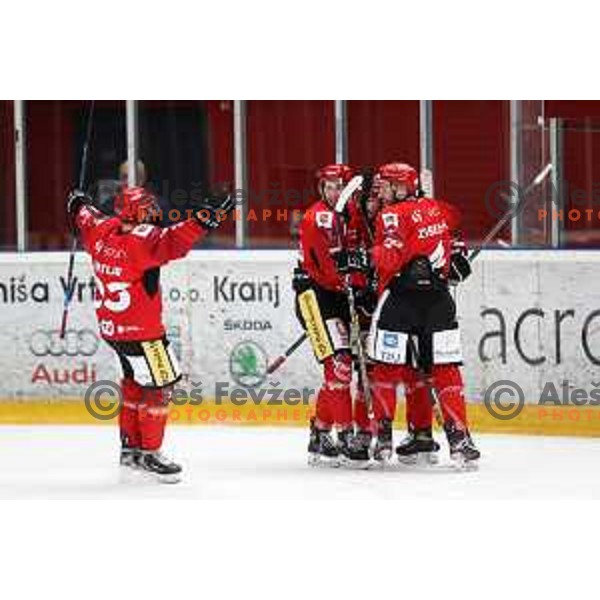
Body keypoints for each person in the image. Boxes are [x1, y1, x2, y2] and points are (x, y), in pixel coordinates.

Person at [66, 185, 235, 483]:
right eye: (147, 207)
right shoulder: (141, 242)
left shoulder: (102, 231)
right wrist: (207, 218)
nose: (153, 211)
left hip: (113, 331)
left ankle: (130, 448)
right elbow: (177, 239)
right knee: (160, 386)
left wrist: (78, 201)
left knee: (132, 384)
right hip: (143, 334)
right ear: (135, 211)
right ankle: (150, 452)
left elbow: (85, 215)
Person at [366, 162, 480, 467]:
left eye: (388, 185)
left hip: (400, 303)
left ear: (402, 187)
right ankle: (460, 439)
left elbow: (388, 260)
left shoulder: (389, 214)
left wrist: (370, 254)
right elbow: (454, 248)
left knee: (386, 369)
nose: (384, 190)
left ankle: (383, 439)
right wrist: (456, 259)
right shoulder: (436, 208)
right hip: (439, 301)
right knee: (446, 370)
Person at [293, 164, 371, 466]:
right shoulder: (317, 219)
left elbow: (363, 253)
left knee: (344, 366)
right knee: (338, 366)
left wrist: (362, 284)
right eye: (328, 186)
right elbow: (326, 269)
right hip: (315, 298)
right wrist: (351, 282)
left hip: (340, 296)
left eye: (339, 186)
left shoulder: (355, 214)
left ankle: (320, 432)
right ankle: (345, 433)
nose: (334, 192)